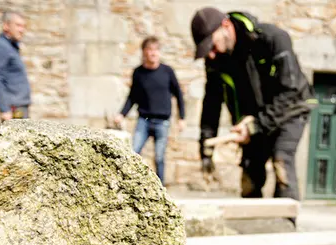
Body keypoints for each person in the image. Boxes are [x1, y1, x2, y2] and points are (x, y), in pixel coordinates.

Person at [190, 7, 315, 203]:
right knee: (250, 171)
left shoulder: (271, 38)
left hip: (291, 110)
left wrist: (255, 125)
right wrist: (206, 150)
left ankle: (285, 224)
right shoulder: (216, 62)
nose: (211, 54)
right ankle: (250, 225)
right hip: (253, 118)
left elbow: (291, 92)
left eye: (212, 45)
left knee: (281, 159)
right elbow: (211, 105)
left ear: (226, 26)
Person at [115, 36, 186, 184]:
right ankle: (131, 184)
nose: (152, 53)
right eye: (149, 50)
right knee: (134, 152)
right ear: (144, 52)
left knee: (159, 157)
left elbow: (179, 94)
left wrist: (182, 118)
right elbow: (132, 97)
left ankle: (161, 190)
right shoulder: (138, 73)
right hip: (144, 120)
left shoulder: (167, 72)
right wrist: (121, 114)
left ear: (159, 52)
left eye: (155, 50)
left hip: (162, 121)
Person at [0, 11, 31, 122]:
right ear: (6, 26)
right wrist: (4, 109)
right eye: (18, 25)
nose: (22, 30)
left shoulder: (11, 46)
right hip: (12, 108)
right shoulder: (0, 47)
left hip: (19, 106)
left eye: (23, 26)